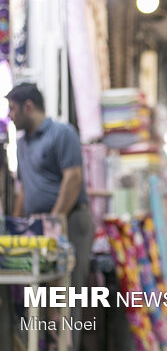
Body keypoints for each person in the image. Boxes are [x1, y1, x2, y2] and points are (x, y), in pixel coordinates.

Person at [6, 83, 95, 349]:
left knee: (68, 294)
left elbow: (73, 179)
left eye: (12, 109)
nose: (9, 116)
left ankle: (68, 346)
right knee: (43, 298)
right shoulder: (22, 144)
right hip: (40, 229)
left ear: (28, 106)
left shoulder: (62, 133)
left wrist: (53, 222)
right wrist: (16, 227)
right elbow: (24, 189)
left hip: (70, 222)